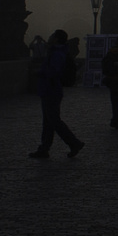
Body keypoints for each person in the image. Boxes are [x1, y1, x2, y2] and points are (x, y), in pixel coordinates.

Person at [29, 29, 84, 158]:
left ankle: (74, 143)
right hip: (50, 89)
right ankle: (44, 148)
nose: (49, 37)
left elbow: (54, 72)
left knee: (54, 121)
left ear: (56, 39)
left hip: (51, 89)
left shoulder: (57, 53)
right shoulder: (56, 51)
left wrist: (40, 73)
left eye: (52, 35)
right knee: (49, 121)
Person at [101, 40, 118, 129]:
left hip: (111, 80)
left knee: (115, 101)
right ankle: (117, 119)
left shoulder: (110, 53)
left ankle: (117, 119)